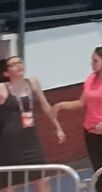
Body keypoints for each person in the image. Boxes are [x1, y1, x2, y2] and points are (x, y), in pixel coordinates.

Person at [53, 47, 102, 192]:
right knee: (98, 171)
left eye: (95, 61)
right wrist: (62, 105)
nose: (92, 64)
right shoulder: (90, 79)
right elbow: (81, 102)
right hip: (91, 131)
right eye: (92, 60)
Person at [0, 55, 65, 191]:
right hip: (10, 142)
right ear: (6, 73)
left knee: (44, 179)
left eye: (20, 62)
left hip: (31, 140)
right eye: (13, 64)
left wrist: (57, 127)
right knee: (8, 185)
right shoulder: (2, 88)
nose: (18, 65)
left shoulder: (33, 82)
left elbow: (46, 106)